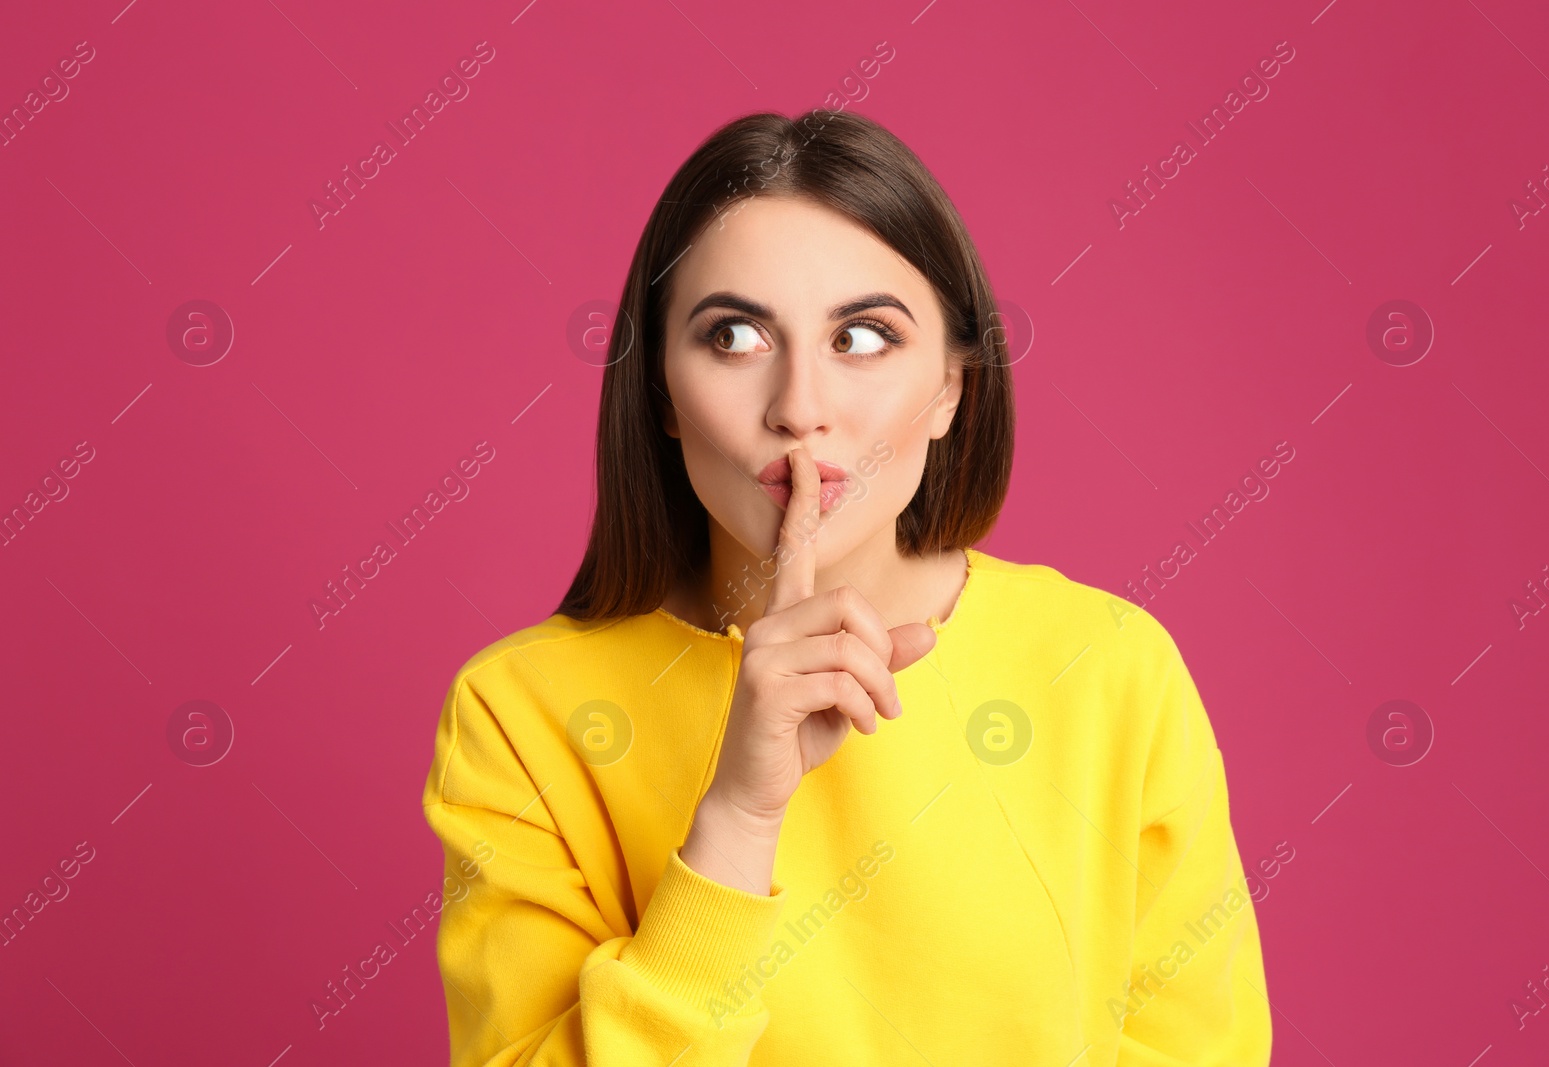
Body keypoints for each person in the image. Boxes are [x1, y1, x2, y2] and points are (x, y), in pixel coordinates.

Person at [421, 108, 1271, 1065]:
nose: (799, 407)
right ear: (659, 388)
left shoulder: (1111, 669)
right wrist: (741, 814)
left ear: (952, 386)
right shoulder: (519, 717)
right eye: (734, 334)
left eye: (862, 338)